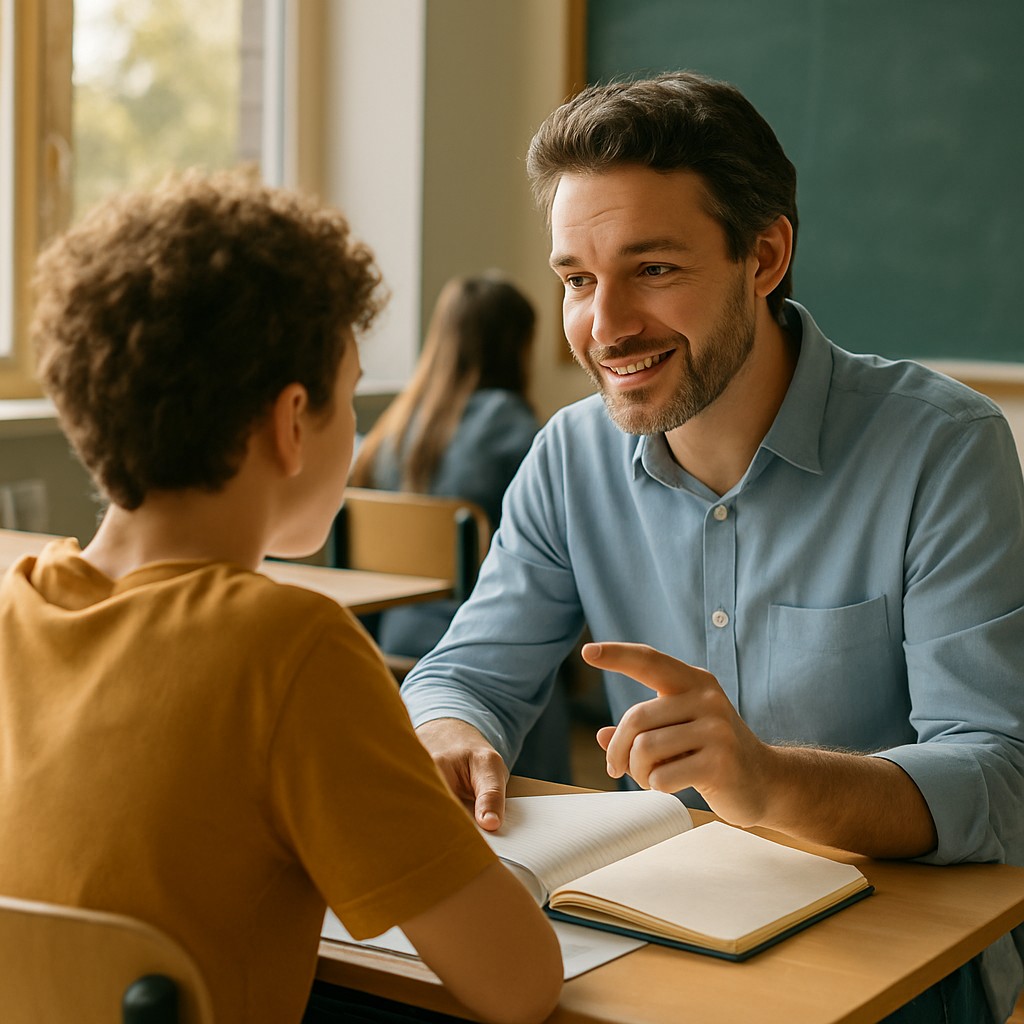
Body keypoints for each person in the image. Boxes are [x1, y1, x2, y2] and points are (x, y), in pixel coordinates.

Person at [399, 72, 1024, 1023]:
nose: (603, 327)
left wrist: (769, 780)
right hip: (655, 941)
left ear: (764, 255)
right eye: (576, 280)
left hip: (903, 967)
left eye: (653, 269)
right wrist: (447, 728)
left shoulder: (942, 448)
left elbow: (1002, 777)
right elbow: (464, 675)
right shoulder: (569, 454)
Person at [0, 170, 562, 1024]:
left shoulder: (13, 607)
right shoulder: (289, 646)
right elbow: (520, 985)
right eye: (349, 398)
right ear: (292, 421)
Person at [349, 272, 539, 659]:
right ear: (516, 345)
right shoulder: (513, 427)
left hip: (386, 644)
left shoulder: (392, 429)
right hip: (478, 645)